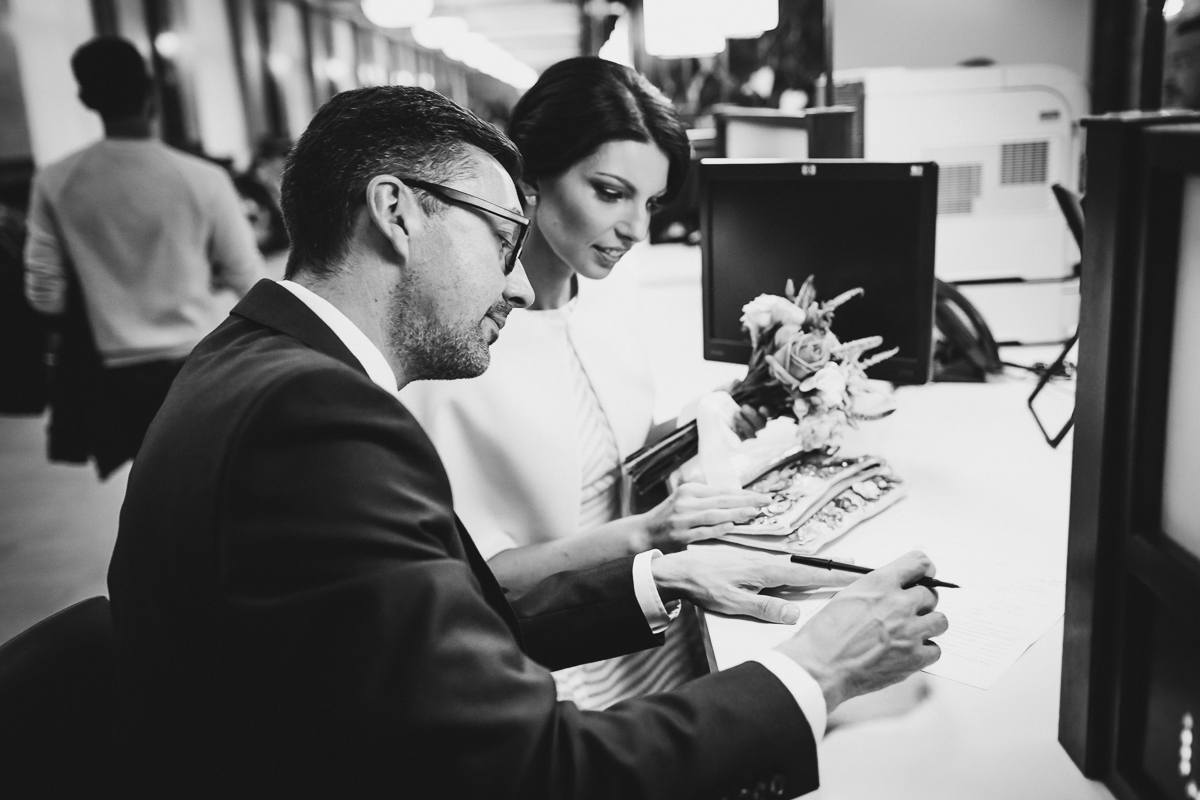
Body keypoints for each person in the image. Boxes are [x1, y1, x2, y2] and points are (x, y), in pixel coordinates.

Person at [107, 84, 947, 799]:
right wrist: (819, 667)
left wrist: (663, 575)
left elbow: (426, 617)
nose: (518, 280)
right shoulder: (315, 420)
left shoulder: (254, 359)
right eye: (504, 238)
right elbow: (529, 770)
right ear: (396, 212)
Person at [401, 57, 769, 710]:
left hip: (659, 621)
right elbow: (482, 579)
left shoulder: (609, 289)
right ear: (532, 176)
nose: (637, 229)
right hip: (562, 662)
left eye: (650, 202)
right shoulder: (457, 348)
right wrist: (647, 533)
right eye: (610, 191)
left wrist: (712, 416)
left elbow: (608, 453)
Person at [23, 36, 264, 477]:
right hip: (199, 360)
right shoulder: (202, 178)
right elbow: (247, 278)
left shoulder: (56, 181)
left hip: (111, 373)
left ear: (84, 97)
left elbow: (45, 294)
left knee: (147, 486)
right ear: (150, 89)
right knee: (204, 481)